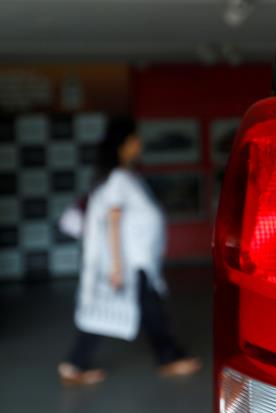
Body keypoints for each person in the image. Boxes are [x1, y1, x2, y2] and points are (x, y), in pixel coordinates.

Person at [58, 117, 201, 385]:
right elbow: (113, 224)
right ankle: (166, 357)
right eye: (135, 140)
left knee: (146, 308)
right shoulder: (118, 180)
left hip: (137, 260)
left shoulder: (121, 177)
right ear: (123, 146)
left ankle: (77, 365)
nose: (140, 144)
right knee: (137, 308)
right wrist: (116, 267)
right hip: (132, 261)